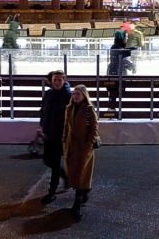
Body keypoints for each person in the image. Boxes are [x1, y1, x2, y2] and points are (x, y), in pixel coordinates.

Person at [62, 84, 100, 220]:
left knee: (79, 174)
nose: (75, 96)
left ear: (84, 95)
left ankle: (77, 206)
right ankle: (84, 192)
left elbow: (94, 130)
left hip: (84, 148)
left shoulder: (89, 110)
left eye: (78, 94)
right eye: (74, 93)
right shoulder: (69, 108)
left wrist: (88, 145)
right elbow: (66, 127)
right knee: (75, 174)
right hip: (71, 146)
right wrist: (64, 142)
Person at [39, 70, 72, 203]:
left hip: (60, 135)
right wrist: (42, 125)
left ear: (64, 80)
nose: (57, 82)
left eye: (59, 80)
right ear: (51, 81)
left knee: (55, 163)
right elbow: (43, 110)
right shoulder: (48, 94)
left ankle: (51, 192)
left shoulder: (68, 95)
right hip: (48, 133)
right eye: (55, 80)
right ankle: (65, 175)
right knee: (48, 161)